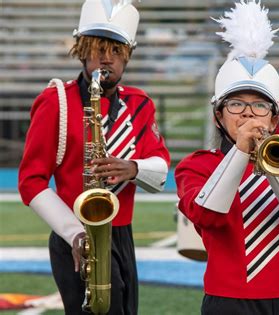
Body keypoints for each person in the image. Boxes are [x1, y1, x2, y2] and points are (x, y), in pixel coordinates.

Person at [18, 0, 170, 314]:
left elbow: (161, 168)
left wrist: (133, 168)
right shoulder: (55, 102)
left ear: (127, 56)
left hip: (122, 235)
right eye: (98, 49)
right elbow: (30, 182)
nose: (107, 59)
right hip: (73, 236)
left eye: (116, 51)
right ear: (83, 50)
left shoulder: (140, 104)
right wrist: (74, 233)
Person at [174, 1, 279, 314]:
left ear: (273, 119)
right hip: (226, 300)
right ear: (218, 115)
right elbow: (207, 216)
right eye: (236, 104)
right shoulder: (196, 166)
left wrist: (275, 167)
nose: (247, 114)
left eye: (260, 106)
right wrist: (242, 150)